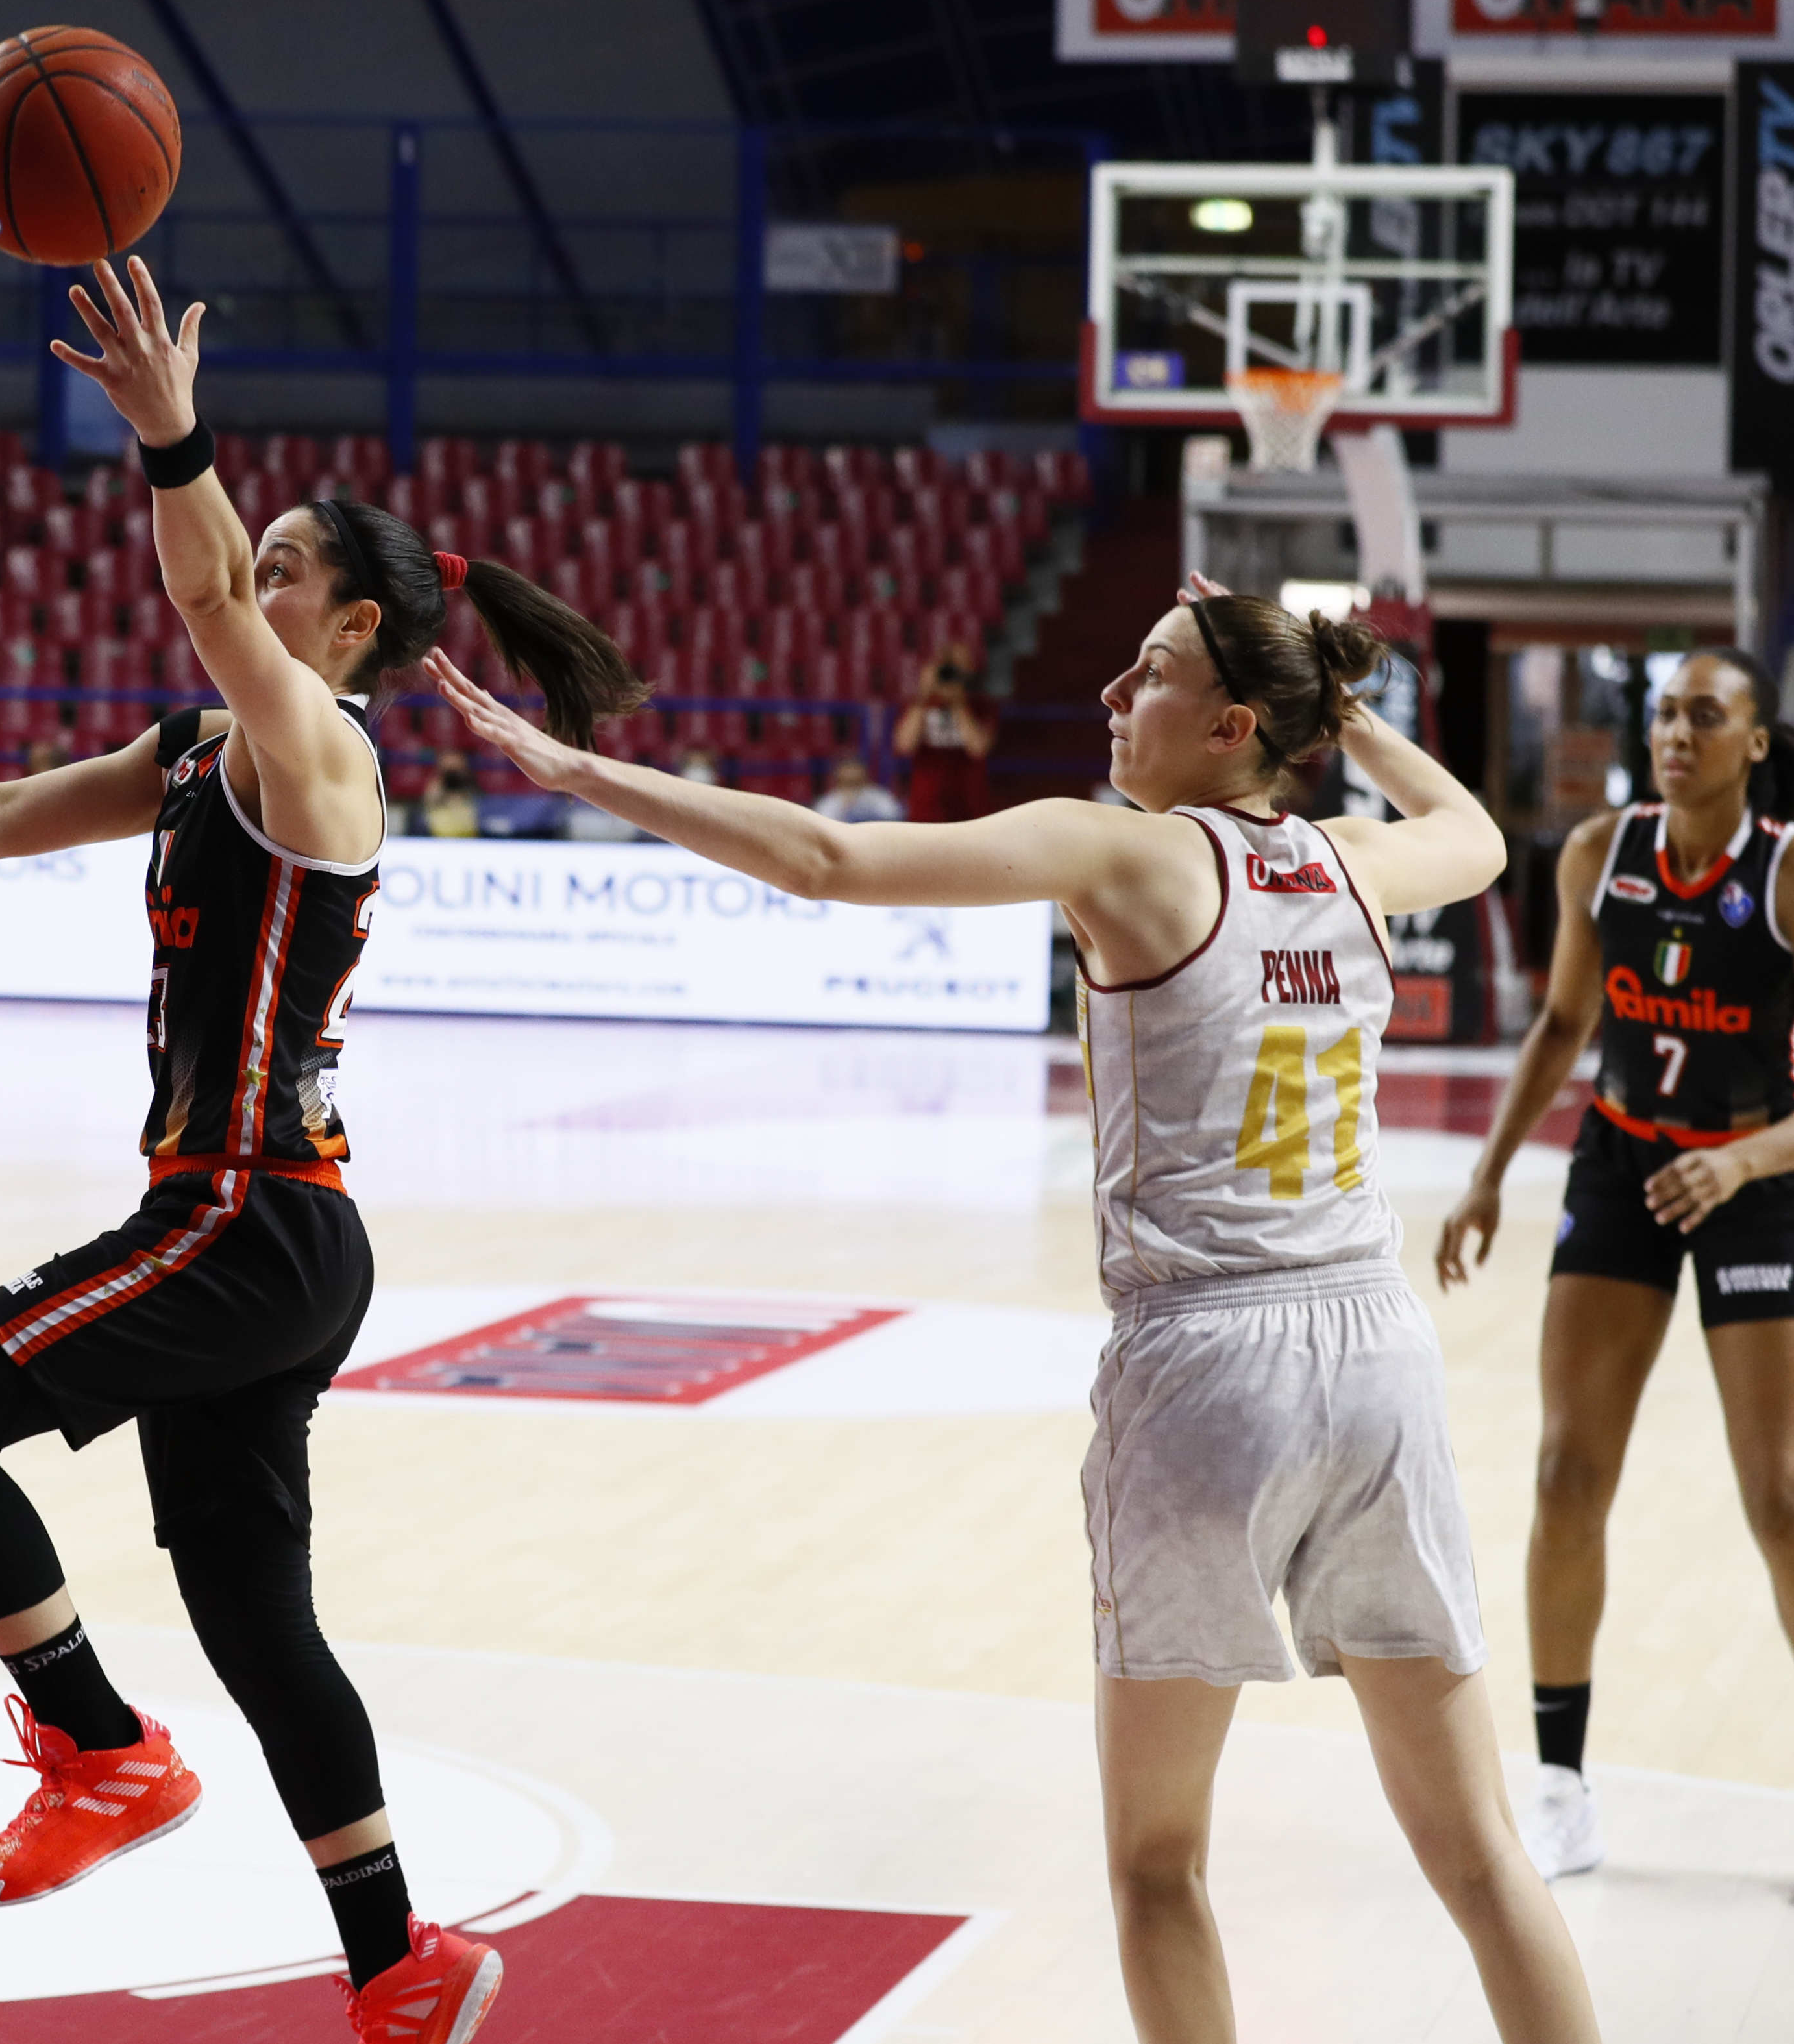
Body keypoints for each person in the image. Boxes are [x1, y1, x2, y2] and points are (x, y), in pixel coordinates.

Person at [429, 580, 1597, 2044]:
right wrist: (1341, 710)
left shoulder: (1120, 852)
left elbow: (825, 857)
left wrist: (583, 768)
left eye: (1150, 670)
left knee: (1156, 1861)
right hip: (1373, 1356)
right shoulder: (1350, 861)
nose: (1111, 692)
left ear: (1231, 725)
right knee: (1480, 1852)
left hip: (1208, 1363)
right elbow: (1480, 837)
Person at [0, 257, 643, 2044]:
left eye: (294, 568)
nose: (260, 585)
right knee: (251, 1615)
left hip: (241, 1222)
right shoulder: (200, 744)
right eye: (265, 558)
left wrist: (172, 437)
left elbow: (209, 588)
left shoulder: (321, 753)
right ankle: (399, 1964)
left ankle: (98, 1746)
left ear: (352, 627)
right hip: (264, 1234)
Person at [1436, 647, 1794, 1880]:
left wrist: (1743, 1165)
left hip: (1755, 1182)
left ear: (1755, 741)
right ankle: (1560, 1784)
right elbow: (1559, 1025)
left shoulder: (1786, 871)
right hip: (1624, 1161)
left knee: (1782, 1497)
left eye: (1706, 714)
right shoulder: (1600, 851)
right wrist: (1483, 1177)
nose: (1676, 731)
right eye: (1664, 713)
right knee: (1561, 1469)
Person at [893, 643, 996, 822]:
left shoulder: (983, 706)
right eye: (948, 666)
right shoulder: (916, 705)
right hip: (926, 807)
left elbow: (978, 748)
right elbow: (905, 746)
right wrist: (923, 695)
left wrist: (959, 703)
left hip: (971, 806)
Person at [811, 752, 905, 824]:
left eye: (854, 766)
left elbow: (895, 818)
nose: (851, 771)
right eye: (848, 783)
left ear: (865, 773)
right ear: (838, 776)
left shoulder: (880, 797)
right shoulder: (828, 803)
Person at [417, 746, 481, 838]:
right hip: (438, 837)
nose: (452, 769)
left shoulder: (471, 786)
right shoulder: (436, 786)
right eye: (449, 767)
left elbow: (476, 804)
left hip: (467, 837)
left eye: (455, 766)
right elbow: (429, 801)